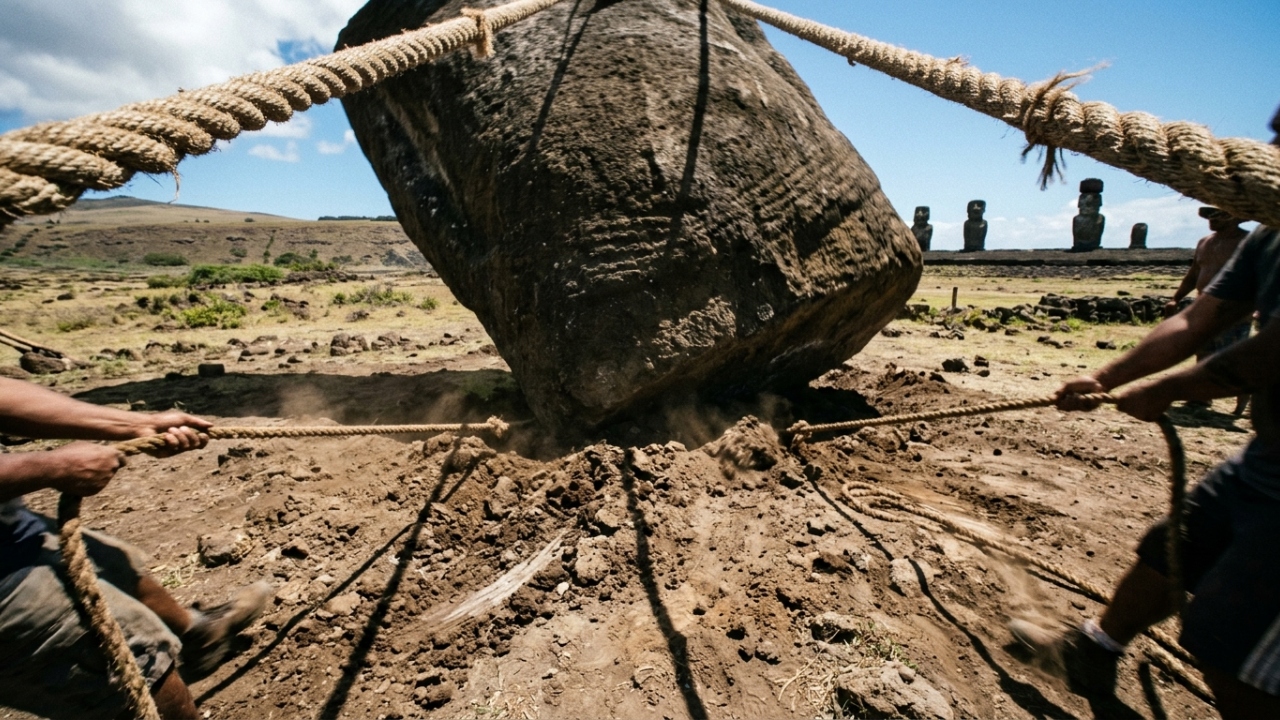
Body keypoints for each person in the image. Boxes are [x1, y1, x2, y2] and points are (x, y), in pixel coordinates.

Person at [1010, 106, 1280, 720]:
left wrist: (1170, 390)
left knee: (1228, 642)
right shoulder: (1269, 237)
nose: (1272, 136)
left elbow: (1276, 348)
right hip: (1264, 458)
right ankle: (1097, 648)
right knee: (1172, 546)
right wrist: (1103, 378)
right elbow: (1198, 317)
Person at [0, 378, 271, 720]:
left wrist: (134, 424)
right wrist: (50, 468)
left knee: (116, 563)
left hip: (10, 527)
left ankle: (199, 636)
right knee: (136, 665)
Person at [1165, 206, 1253, 413]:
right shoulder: (1205, 242)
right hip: (1204, 305)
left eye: (1218, 215)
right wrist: (1176, 298)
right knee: (1203, 353)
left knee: (1232, 357)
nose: (1211, 220)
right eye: (1209, 215)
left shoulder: (1248, 243)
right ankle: (1201, 397)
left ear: (1234, 217)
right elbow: (1194, 273)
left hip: (1235, 307)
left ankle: (1242, 402)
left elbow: (1261, 274)